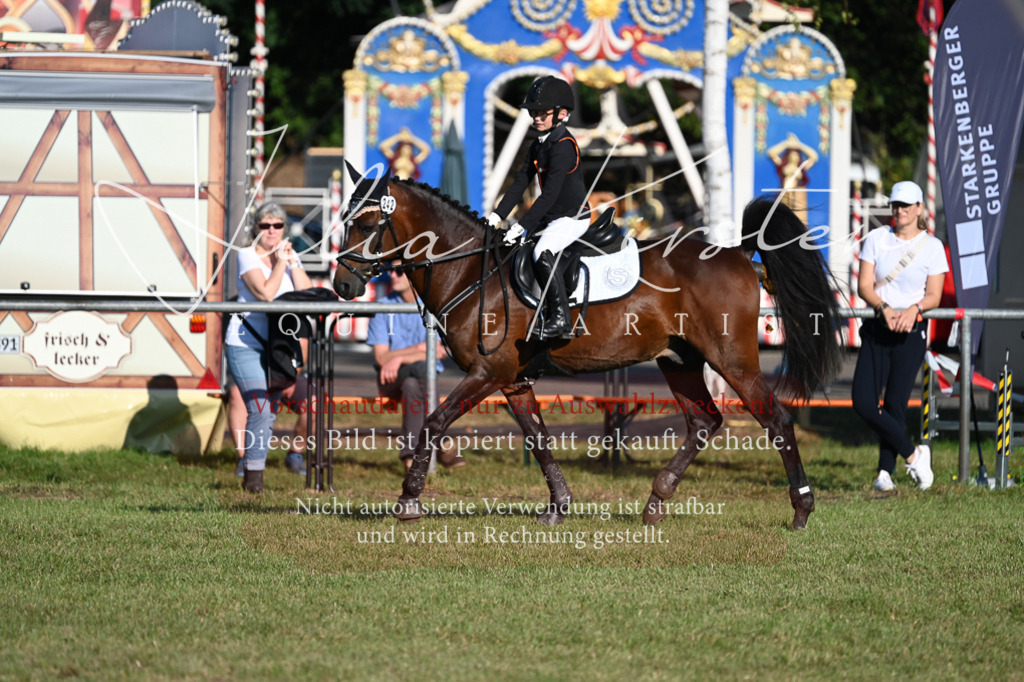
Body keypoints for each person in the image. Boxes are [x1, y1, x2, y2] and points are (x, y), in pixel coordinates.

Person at [852, 181, 947, 492]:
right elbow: (864, 285)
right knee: (863, 402)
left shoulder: (932, 247)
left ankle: (884, 473)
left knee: (895, 403)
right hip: (879, 328)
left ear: (920, 208)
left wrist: (914, 310)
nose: (900, 210)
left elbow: (935, 295)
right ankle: (915, 454)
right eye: (895, 204)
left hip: (912, 331)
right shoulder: (877, 239)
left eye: (907, 205)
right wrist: (885, 308)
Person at [486, 75, 589, 340]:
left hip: (572, 217)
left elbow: (551, 194)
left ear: (562, 114)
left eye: (543, 113)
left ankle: (560, 319)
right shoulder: (537, 145)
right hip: (552, 218)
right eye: (534, 113)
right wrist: (497, 216)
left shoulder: (564, 146)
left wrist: (522, 225)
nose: (536, 118)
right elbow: (521, 182)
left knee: (542, 250)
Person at [224, 202, 313, 492]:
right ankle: (253, 479)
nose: (272, 231)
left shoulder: (289, 256)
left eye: (277, 226)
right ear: (256, 228)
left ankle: (253, 470)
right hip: (245, 343)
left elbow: (309, 295)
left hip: (280, 347)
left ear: (284, 229)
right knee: (260, 407)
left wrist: (293, 261)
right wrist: (280, 263)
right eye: (265, 225)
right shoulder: (246, 255)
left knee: (268, 410)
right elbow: (265, 293)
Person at [365, 262, 465, 471]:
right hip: (391, 379)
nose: (392, 274)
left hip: (416, 381)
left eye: (399, 271)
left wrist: (399, 357)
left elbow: (439, 351)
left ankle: (411, 457)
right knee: (420, 371)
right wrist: (420, 349)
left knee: (413, 383)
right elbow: (382, 358)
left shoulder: (433, 305)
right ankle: (442, 441)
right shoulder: (382, 307)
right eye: (389, 269)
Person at [228, 371, 309, 477]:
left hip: (290, 373)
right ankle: (245, 458)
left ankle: (295, 454)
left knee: (315, 402)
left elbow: (303, 355)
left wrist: (289, 378)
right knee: (236, 393)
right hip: (251, 374)